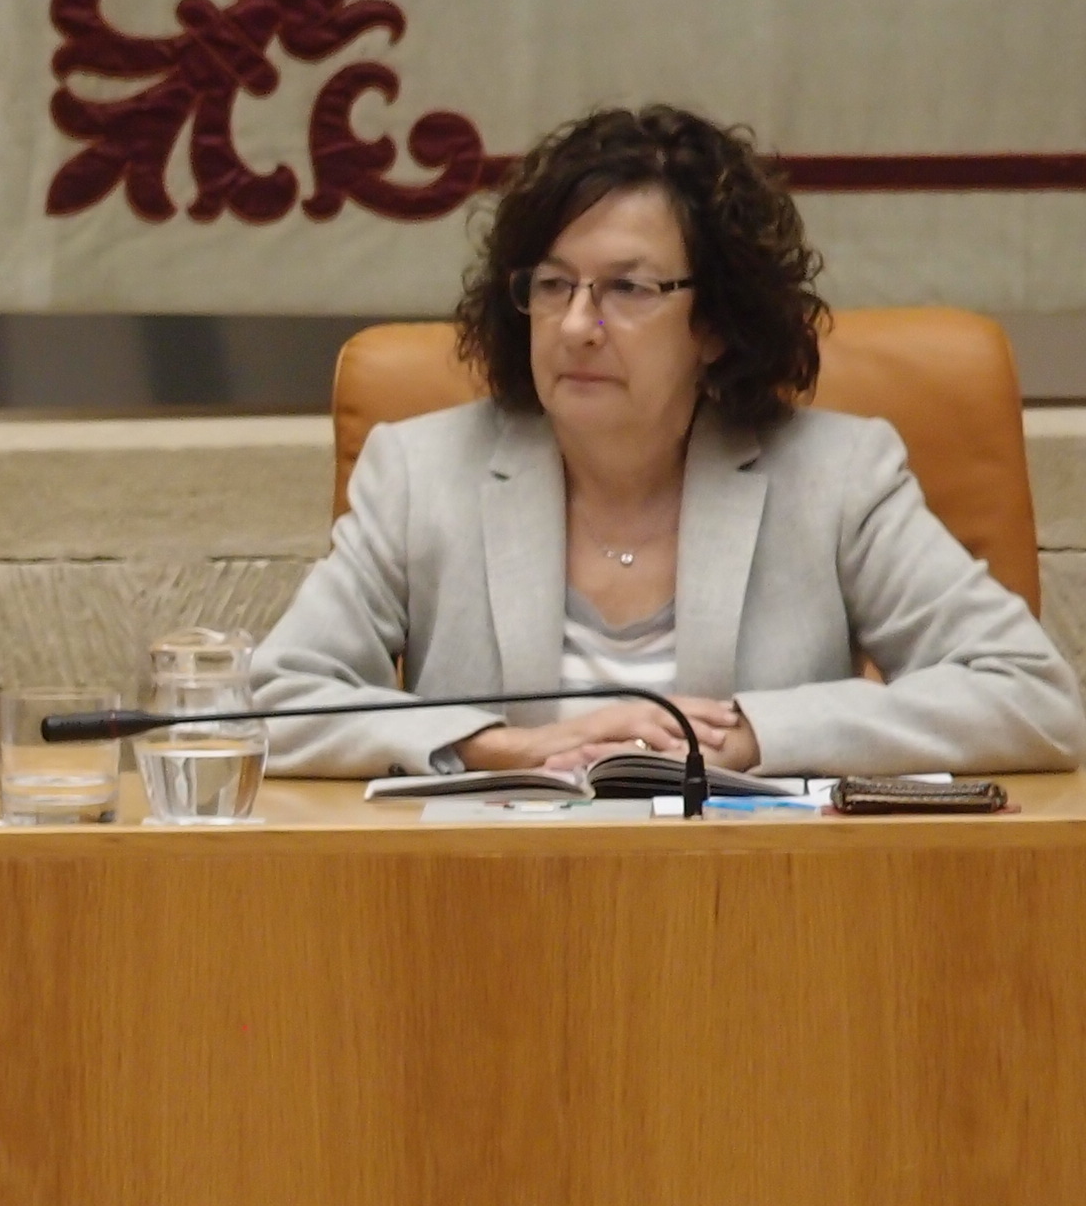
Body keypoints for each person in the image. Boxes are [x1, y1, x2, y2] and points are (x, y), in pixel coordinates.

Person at [257, 104, 1084, 778]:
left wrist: (756, 734)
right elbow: (277, 700)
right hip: (487, 920)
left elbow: (1033, 698)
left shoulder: (836, 477)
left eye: (630, 288)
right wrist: (498, 747)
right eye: (553, 285)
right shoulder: (419, 472)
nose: (578, 324)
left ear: (715, 322)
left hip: (761, 920)